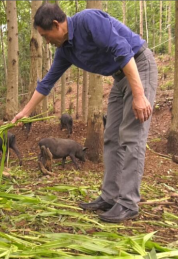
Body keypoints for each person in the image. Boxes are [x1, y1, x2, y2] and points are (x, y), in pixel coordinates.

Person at [12, 4, 157, 223]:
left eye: (46, 35)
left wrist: (139, 94)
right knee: (111, 138)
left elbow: (122, 50)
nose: (46, 41)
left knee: (131, 137)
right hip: (119, 77)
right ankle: (110, 197)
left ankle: (128, 203)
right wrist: (25, 112)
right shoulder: (65, 51)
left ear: (56, 24)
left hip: (138, 66)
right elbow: (47, 83)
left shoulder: (88, 21)